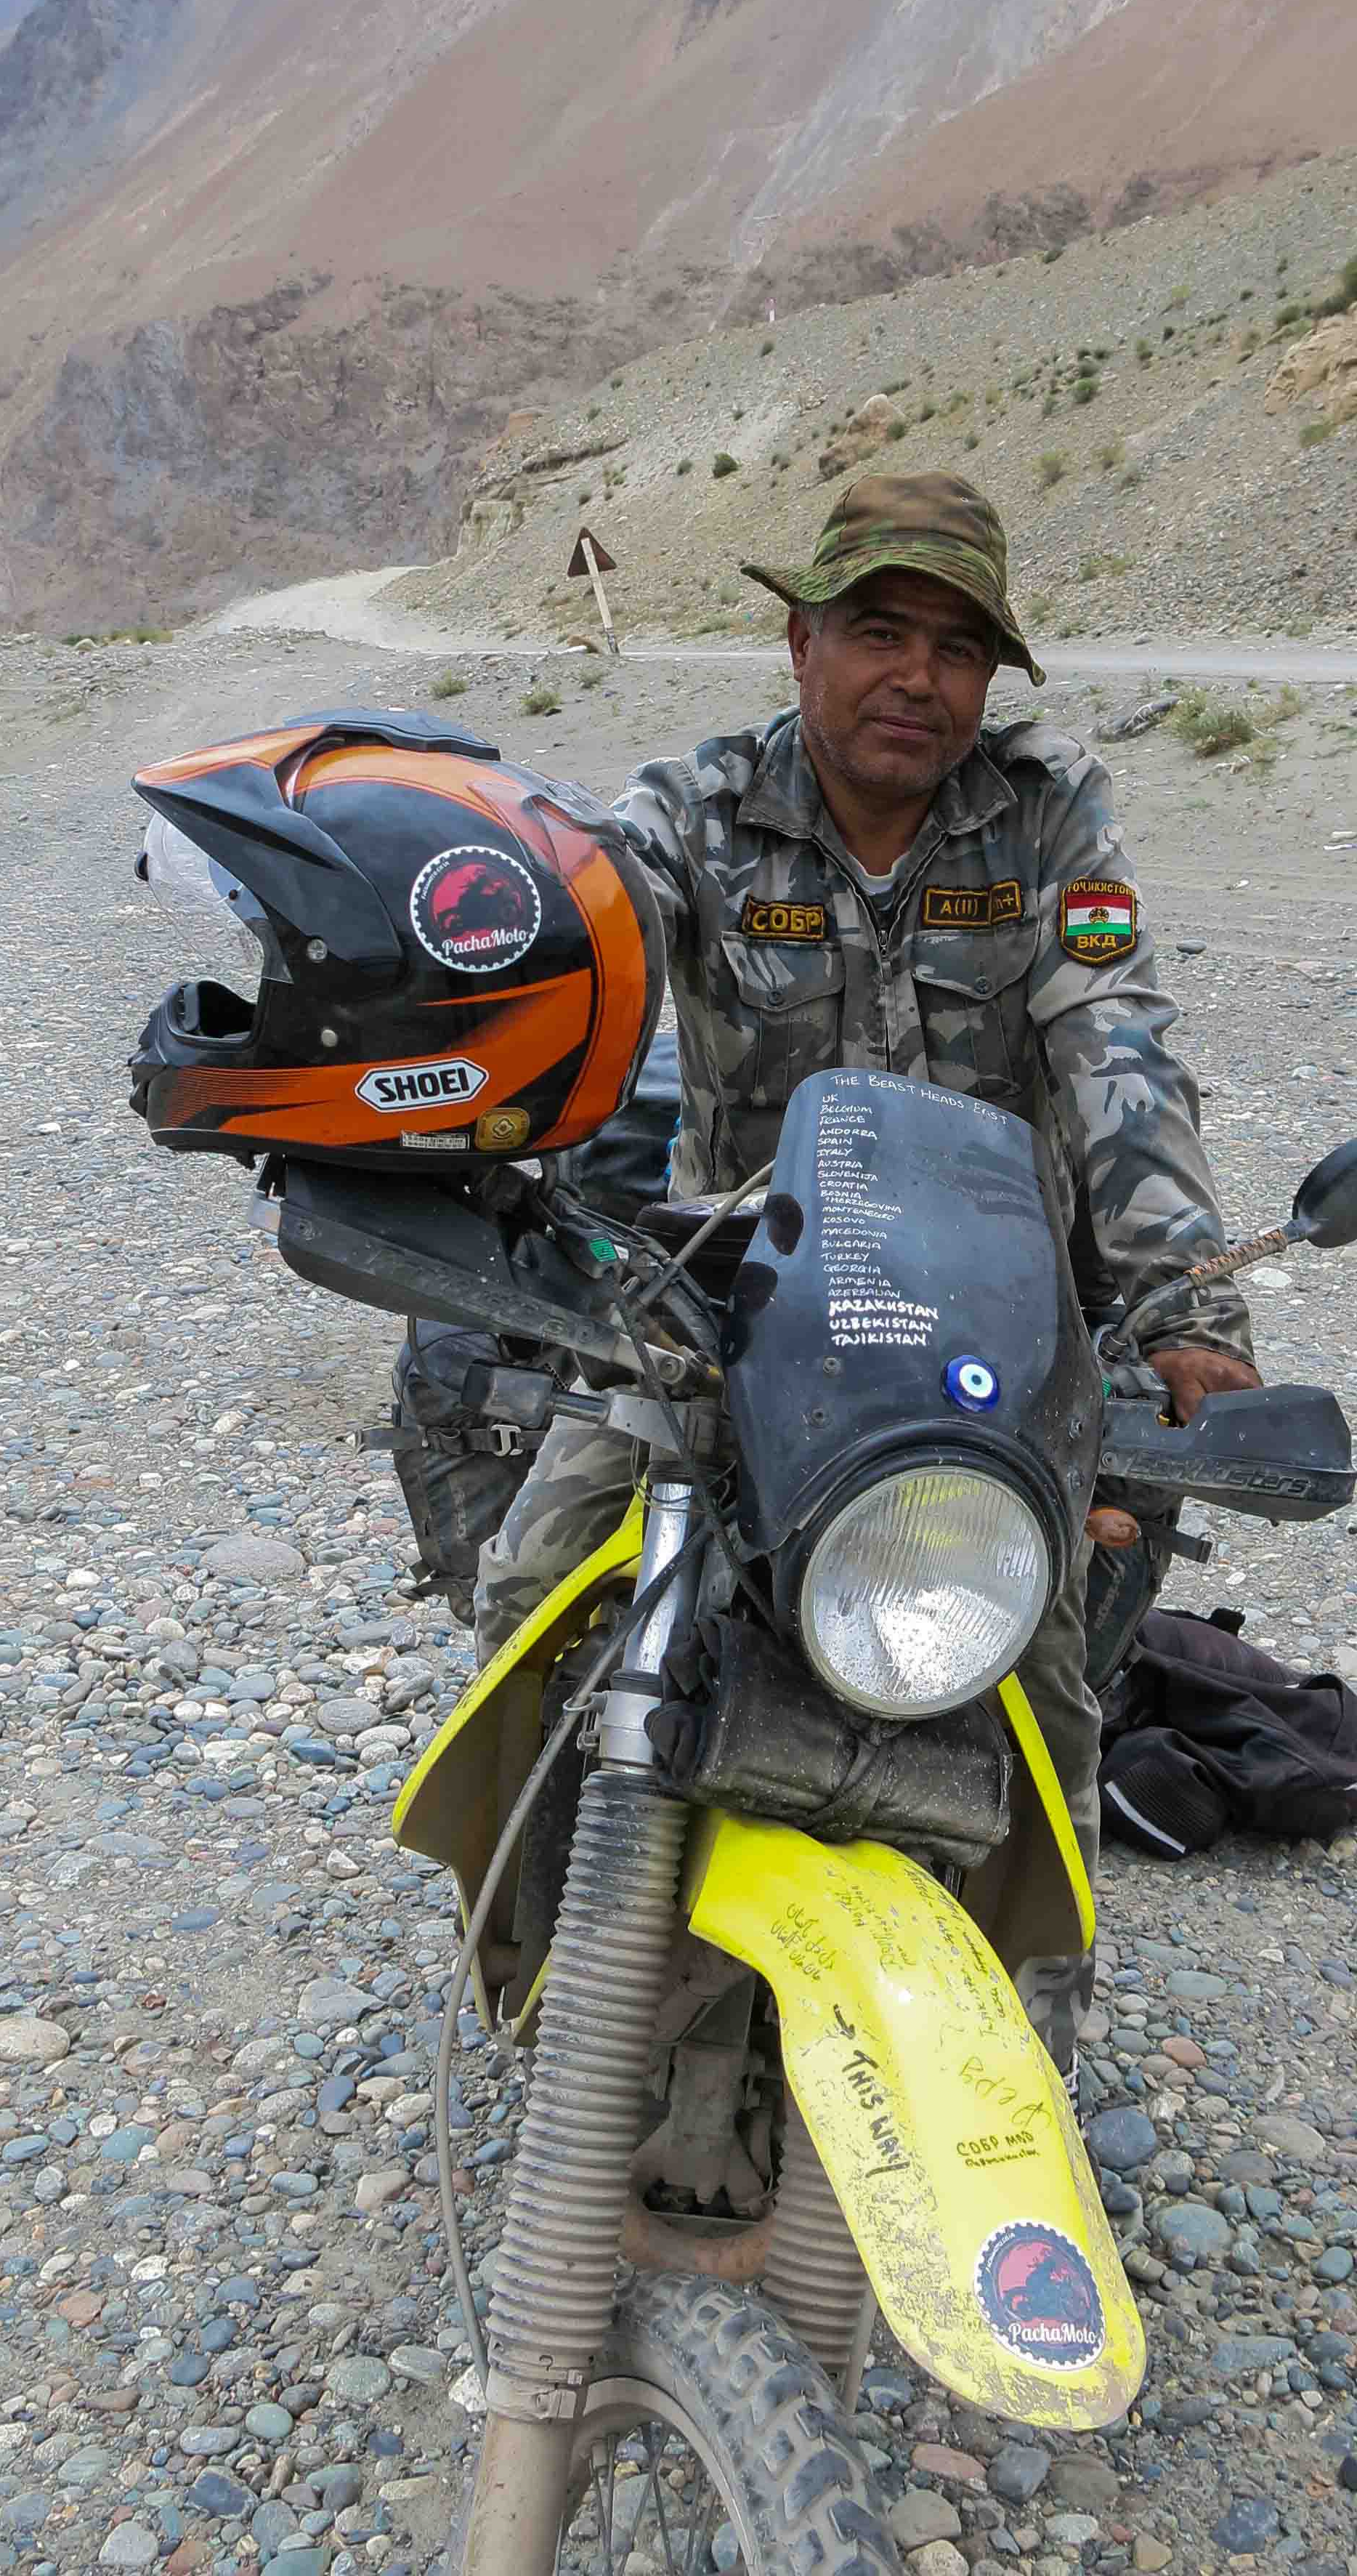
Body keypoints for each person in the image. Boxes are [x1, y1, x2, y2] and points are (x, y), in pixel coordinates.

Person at [477, 469, 1261, 2066]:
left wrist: (1188, 1300)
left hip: (993, 1314)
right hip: (734, 1292)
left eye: (959, 647)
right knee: (532, 1579)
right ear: (801, 643)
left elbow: (1117, 1044)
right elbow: (578, 942)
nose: (919, 677)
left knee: (1043, 1662)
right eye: (881, 631)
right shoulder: (694, 808)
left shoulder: (1047, 813)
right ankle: (551, 1948)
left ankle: (1025, 2029)